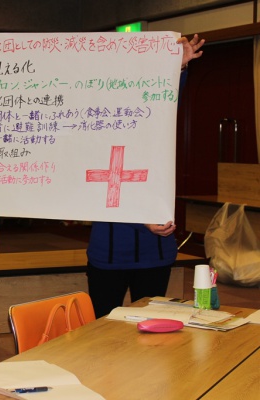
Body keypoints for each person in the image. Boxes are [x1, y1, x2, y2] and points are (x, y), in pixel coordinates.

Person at [86, 34, 206, 318]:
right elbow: (94, 192)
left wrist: (178, 66)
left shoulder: (153, 128)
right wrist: (142, 221)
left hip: (155, 253)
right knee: (103, 332)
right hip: (109, 253)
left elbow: (166, 103)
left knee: (153, 332)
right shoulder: (91, 131)